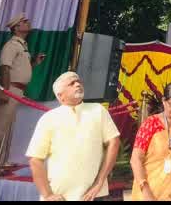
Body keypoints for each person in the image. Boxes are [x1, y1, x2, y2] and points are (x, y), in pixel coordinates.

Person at [27, 71, 121, 201]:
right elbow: (35, 159)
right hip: (59, 197)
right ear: (60, 95)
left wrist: (100, 182)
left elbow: (114, 142)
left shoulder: (98, 110)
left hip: (93, 195)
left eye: (79, 82)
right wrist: (48, 195)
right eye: (71, 83)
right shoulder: (49, 118)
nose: (77, 84)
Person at [0, 13, 46, 173]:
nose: (28, 22)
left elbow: (18, 68)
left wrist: (34, 63)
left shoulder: (22, 45)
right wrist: (4, 91)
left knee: (7, 129)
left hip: (17, 91)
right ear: (16, 27)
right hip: (11, 90)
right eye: (24, 21)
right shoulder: (12, 45)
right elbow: (5, 67)